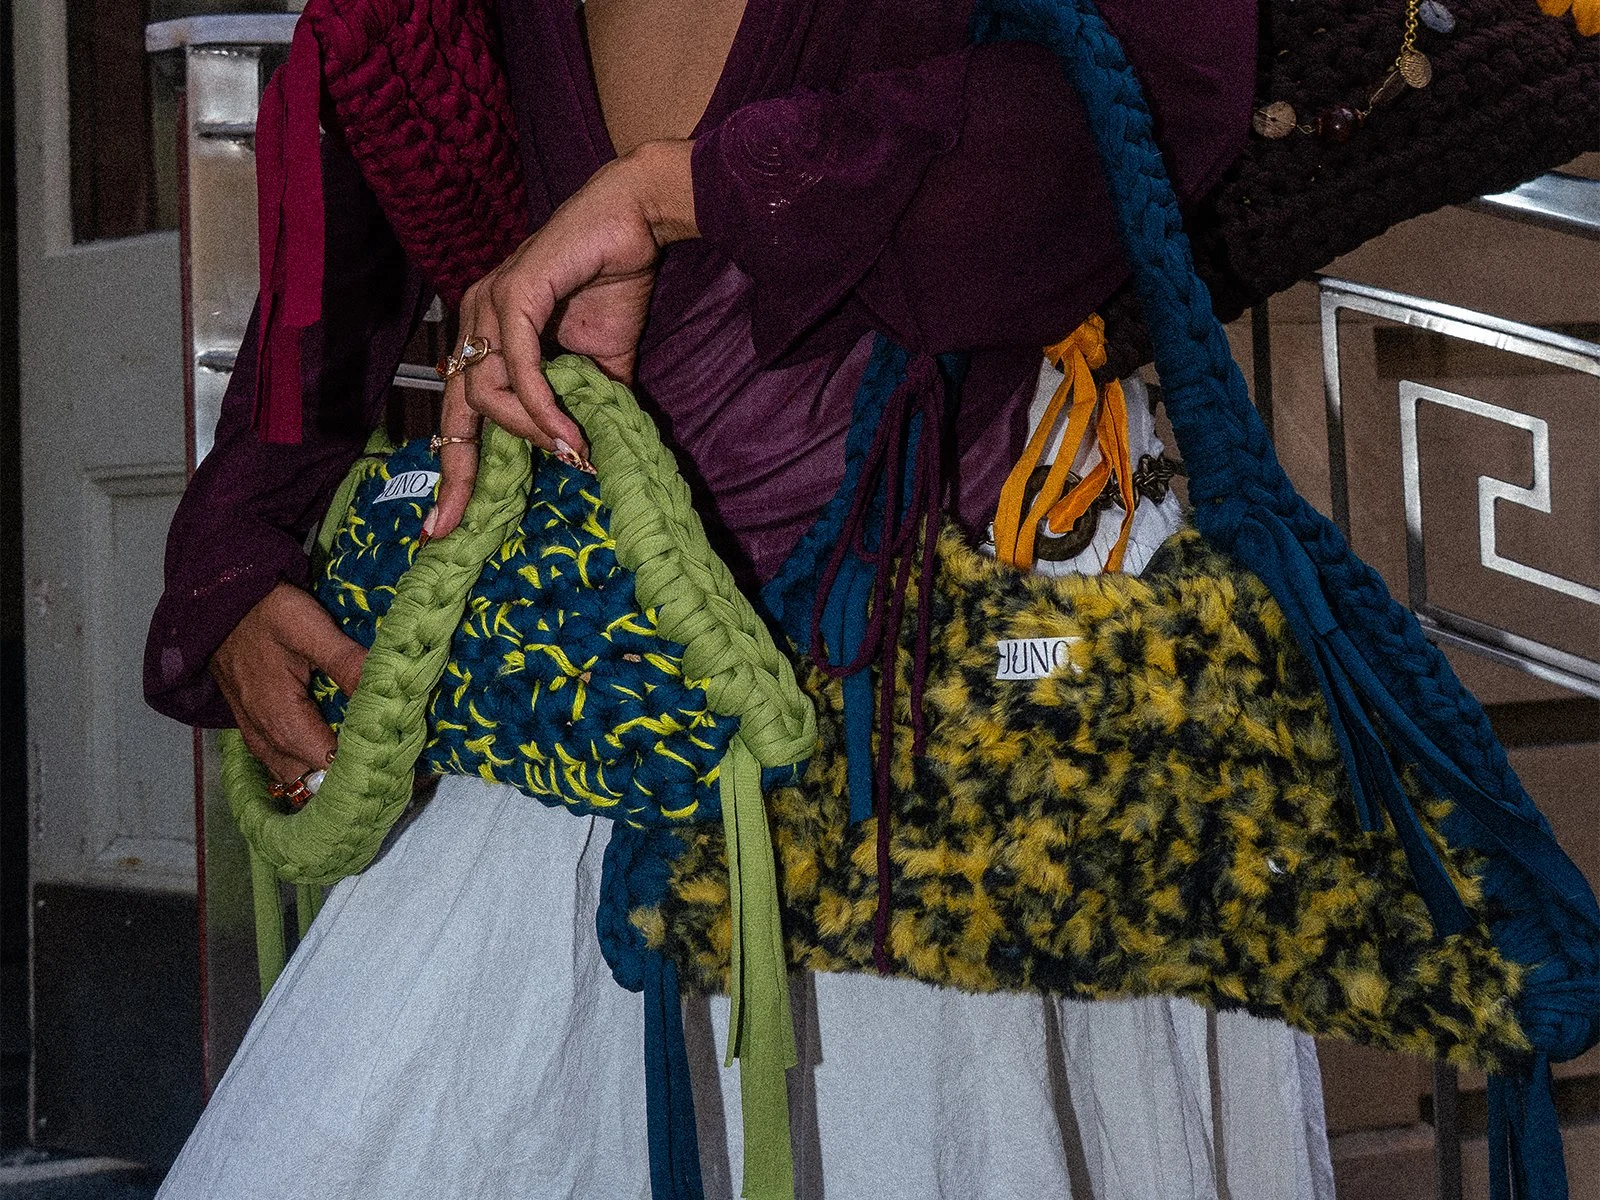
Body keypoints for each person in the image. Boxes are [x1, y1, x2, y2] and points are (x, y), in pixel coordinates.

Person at [146, 0, 1337, 1196]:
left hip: (959, 648)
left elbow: (1153, 93)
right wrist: (236, 556)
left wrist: (685, 189)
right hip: (575, 670)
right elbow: (351, 198)